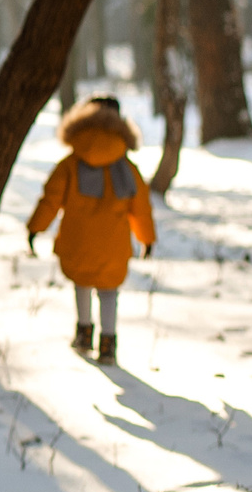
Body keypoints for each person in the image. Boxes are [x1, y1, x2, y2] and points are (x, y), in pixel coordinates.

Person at [25, 95, 157, 364]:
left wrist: (35, 228)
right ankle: (108, 344)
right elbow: (141, 208)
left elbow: (51, 200)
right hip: (114, 244)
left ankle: (84, 334)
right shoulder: (128, 168)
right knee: (109, 291)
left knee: (82, 282)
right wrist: (147, 239)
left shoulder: (71, 164)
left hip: (78, 240)